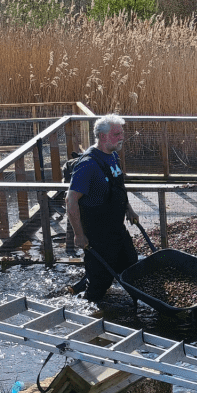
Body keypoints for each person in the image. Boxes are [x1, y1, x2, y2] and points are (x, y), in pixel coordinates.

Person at [64, 114, 140, 302]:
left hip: (116, 228)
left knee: (131, 265)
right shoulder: (88, 164)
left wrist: (128, 208)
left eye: (122, 133)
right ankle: (86, 315)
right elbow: (71, 200)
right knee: (100, 281)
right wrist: (79, 235)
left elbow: (117, 187)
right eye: (117, 134)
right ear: (102, 136)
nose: (122, 137)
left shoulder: (113, 156)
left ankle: (139, 306)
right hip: (97, 234)